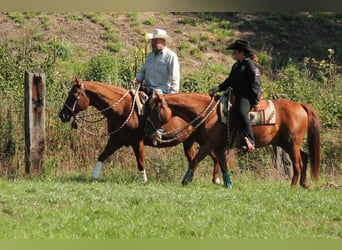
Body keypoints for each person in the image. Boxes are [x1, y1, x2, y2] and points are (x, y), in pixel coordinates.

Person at [209, 39, 262, 152]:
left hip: (247, 96)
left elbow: (256, 84)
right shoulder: (236, 65)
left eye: (234, 51)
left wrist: (256, 101)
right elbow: (229, 80)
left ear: (241, 52)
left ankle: (250, 140)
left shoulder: (250, 65)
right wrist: (218, 88)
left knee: (241, 111)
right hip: (236, 94)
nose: (233, 54)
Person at [133, 28, 180, 94]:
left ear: (163, 41)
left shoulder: (170, 56)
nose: (152, 43)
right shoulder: (150, 56)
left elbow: (175, 78)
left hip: (162, 91)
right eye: (152, 41)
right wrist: (137, 79)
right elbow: (143, 72)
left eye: (155, 41)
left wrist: (172, 95)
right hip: (147, 88)